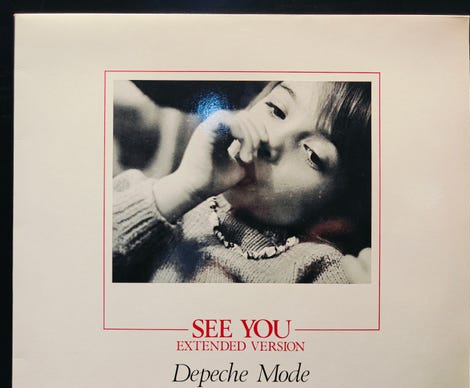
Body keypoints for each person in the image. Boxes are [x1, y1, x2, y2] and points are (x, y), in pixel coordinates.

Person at [113, 81, 371, 283]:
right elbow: (90, 265)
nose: (272, 140)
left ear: (338, 206)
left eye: (312, 154)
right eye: (276, 110)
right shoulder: (161, 200)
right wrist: (185, 186)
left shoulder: (320, 267)